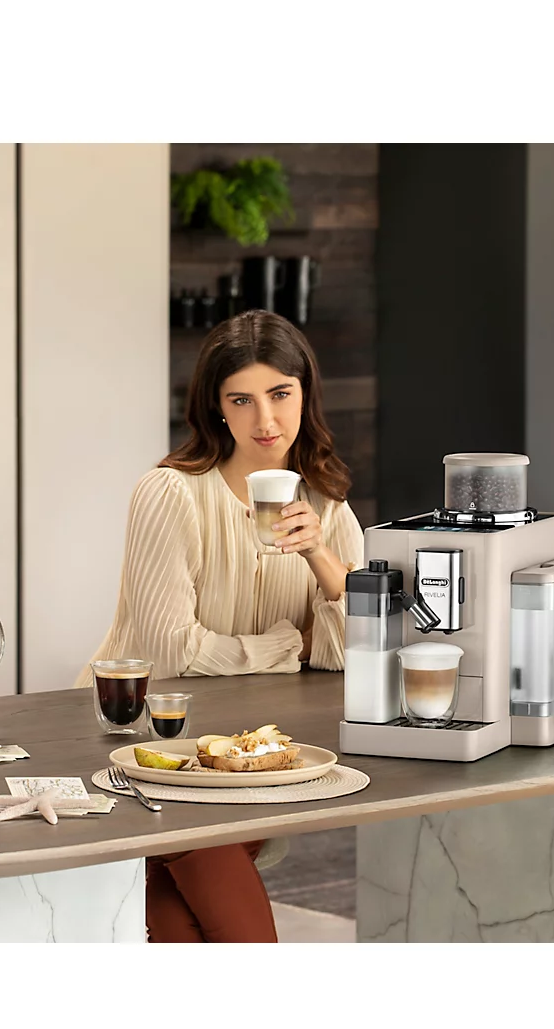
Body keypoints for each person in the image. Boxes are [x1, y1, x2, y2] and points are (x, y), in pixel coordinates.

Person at [81, 309, 365, 942]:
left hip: (256, 761)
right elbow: (171, 654)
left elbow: (354, 656)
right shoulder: (170, 494)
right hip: (142, 745)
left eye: (280, 395)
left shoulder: (329, 506)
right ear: (217, 409)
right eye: (242, 399)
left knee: (174, 894)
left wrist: (321, 554)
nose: (265, 421)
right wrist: (293, 644)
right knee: (200, 852)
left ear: (305, 394)